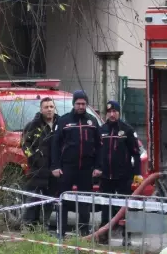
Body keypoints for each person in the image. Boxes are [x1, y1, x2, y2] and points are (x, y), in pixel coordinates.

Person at [49, 90, 101, 237]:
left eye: (83, 104)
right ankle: (61, 231)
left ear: (87, 104)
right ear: (73, 104)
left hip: (86, 168)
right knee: (63, 199)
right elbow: (55, 145)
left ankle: (84, 231)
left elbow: (99, 146)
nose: (81, 106)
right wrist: (55, 166)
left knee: (85, 201)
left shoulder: (92, 121)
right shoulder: (64, 121)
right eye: (78, 103)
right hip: (67, 167)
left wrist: (98, 166)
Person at [96, 100, 142, 236]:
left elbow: (136, 154)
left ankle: (126, 232)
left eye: (114, 111)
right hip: (106, 176)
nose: (112, 114)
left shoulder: (127, 130)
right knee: (105, 205)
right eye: (109, 112)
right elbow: (97, 152)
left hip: (123, 176)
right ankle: (104, 232)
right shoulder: (101, 130)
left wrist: (137, 174)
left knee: (125, 205)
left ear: (119, 113)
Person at [20, 96, 58, 229]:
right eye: (46, 107)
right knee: (33, 199)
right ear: (41, 110)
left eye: (51, 107)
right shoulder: (33, 126)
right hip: (36, 170)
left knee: (49, 201)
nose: (49, 110)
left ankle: (43, 226)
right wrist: (35, 158)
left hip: (53, 170)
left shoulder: (60, 125)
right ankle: (28, 225)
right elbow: (25, 146)